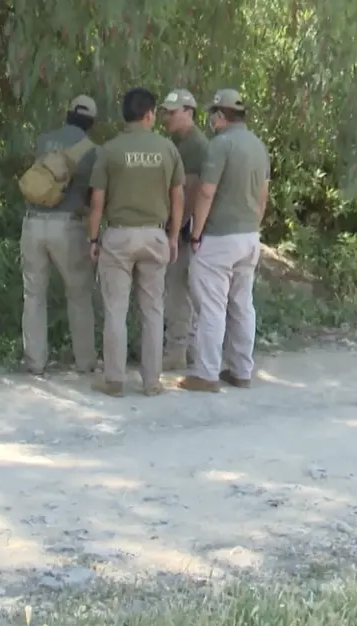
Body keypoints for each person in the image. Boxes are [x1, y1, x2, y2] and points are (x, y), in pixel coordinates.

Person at [86, 88, 186, 397]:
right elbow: (178, 196)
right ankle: (152, 381)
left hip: (118, 235)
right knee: (152, 310)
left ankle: (114, 380)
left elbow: (97, 202)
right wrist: (173, 236)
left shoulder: (109, 151)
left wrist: (93, 238)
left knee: (115, 309)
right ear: (149, 115)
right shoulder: (167, 149)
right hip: (155, 235)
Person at [177, 89, 271, 393]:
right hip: (249, 236)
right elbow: (263, 195)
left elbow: (206, 192)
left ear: (220, 116)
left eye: (212, 115)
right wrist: (254, 225)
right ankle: (241, 370)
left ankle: (206, 373)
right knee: (242, 304)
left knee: (211, 307)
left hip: (218, 237)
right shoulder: (258, 146)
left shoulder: (221, 145)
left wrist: (195, 233)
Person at [20, 94, 100, 376]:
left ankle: (35, 362)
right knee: (78, 294)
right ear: (91, 122)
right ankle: (85, 361)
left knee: (33, 294)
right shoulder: (92, 151)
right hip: (67, 226)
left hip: (32, 223)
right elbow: (94, 196)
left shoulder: (44, 140)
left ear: (67, 114)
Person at [158, 88, 211, 371]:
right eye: (165, 111)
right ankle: (188, 347)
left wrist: (176, 230)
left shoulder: (192, 146)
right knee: (183, 291)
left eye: (172, 112)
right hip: (187, 227)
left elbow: (190, 192)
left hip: (184, 227)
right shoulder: (180, 142)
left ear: (188, 112)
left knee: (176, 290)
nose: (166, 116)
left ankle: (176, 350)